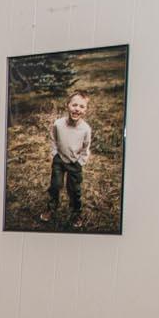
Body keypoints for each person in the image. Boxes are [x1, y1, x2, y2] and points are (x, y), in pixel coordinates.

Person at [48, 91, 92, 223]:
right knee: (55, 185)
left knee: (74, 190)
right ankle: (51, 207)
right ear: (67, 105)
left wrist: (80, 162)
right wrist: (55, 153)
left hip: (74, 163)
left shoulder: (85, 129)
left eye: (81, 106)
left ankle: (76, 212)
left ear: (85, 110)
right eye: (74, 105)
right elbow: (53, 139)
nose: (77, 109)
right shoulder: (58, 124)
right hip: (59, 160)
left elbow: (86, 148)